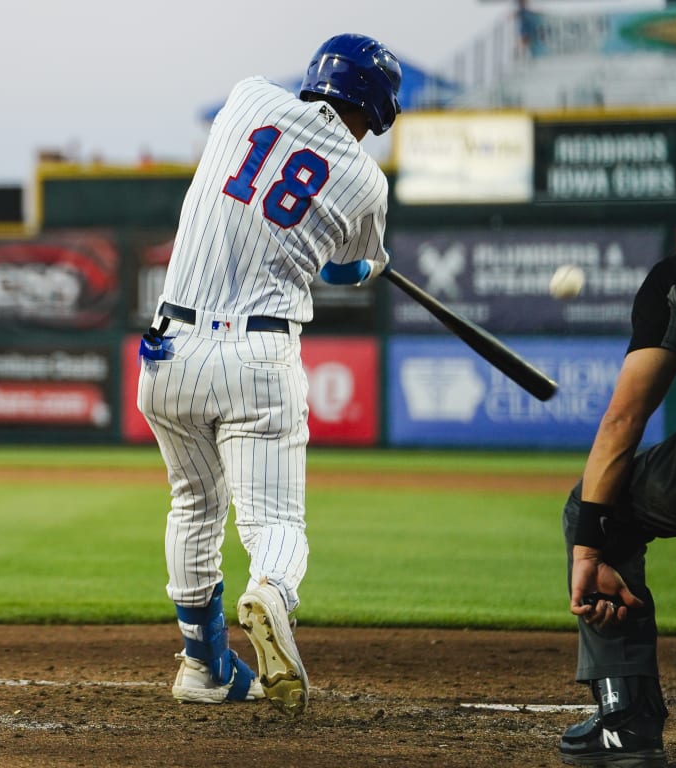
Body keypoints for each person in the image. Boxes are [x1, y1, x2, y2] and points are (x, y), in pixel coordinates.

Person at [136, 33, 400, 717]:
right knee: (274, 520)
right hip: (255, 359)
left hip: (168, 351)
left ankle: (203, 663)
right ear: (376, 108)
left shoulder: (249, 96)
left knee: (193, 507)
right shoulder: (368, 181)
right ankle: (272, 594)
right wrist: (375, 264)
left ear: (319, 80)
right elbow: (341, 269)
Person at [558, 249, 676, 767]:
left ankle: (627, 720)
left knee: (593, 502)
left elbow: (623, 421)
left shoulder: (675, 280)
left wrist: (591, 547)